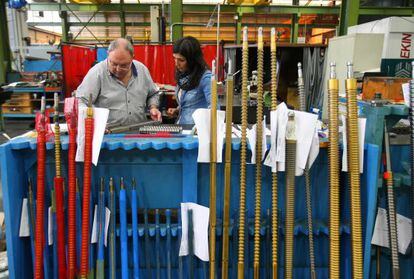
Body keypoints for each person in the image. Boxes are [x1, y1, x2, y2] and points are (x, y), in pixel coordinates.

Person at [76, 38, 162, 126]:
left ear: (132, 57)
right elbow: (80, 100)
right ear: (108, 55)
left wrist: (153, 107)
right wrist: (92, 122)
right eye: (113, 64)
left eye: (123, 65)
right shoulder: (97, 73)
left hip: (138, 132)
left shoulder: (142, 70)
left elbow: (153, 94)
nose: (118, 69)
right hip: (108, 134)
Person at [166, 36, 211, 124]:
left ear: (192, 60)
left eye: (181, 60)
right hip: (181, 128)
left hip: (195, 132)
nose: (176, 64)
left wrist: (204, 129)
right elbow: (190, 104)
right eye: (174, 58)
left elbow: (214, 109)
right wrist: (178, 110)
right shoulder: (183, 75)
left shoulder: (206, 78)